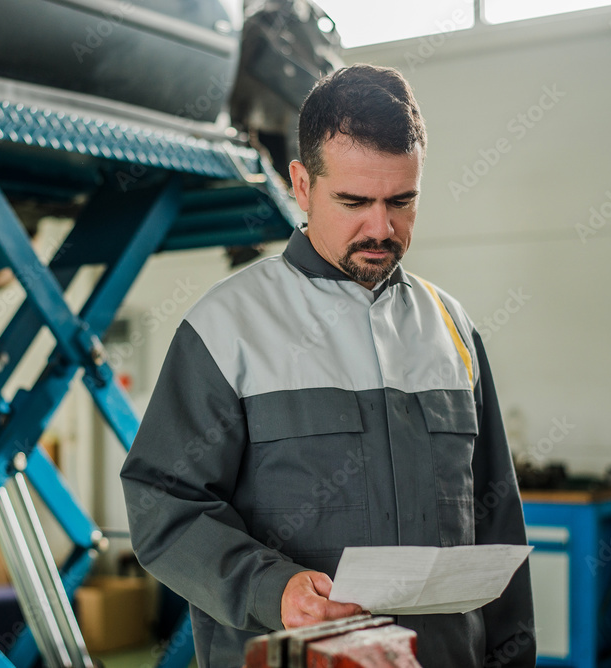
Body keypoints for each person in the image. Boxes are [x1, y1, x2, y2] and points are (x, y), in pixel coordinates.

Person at [120, 63, 534, 668]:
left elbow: (498, 523)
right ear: (301, 183)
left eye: (402, 200)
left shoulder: (453, 329)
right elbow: (162, 502)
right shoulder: (227, 326)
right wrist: (272, 589)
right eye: (354, 201)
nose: (381, 227)